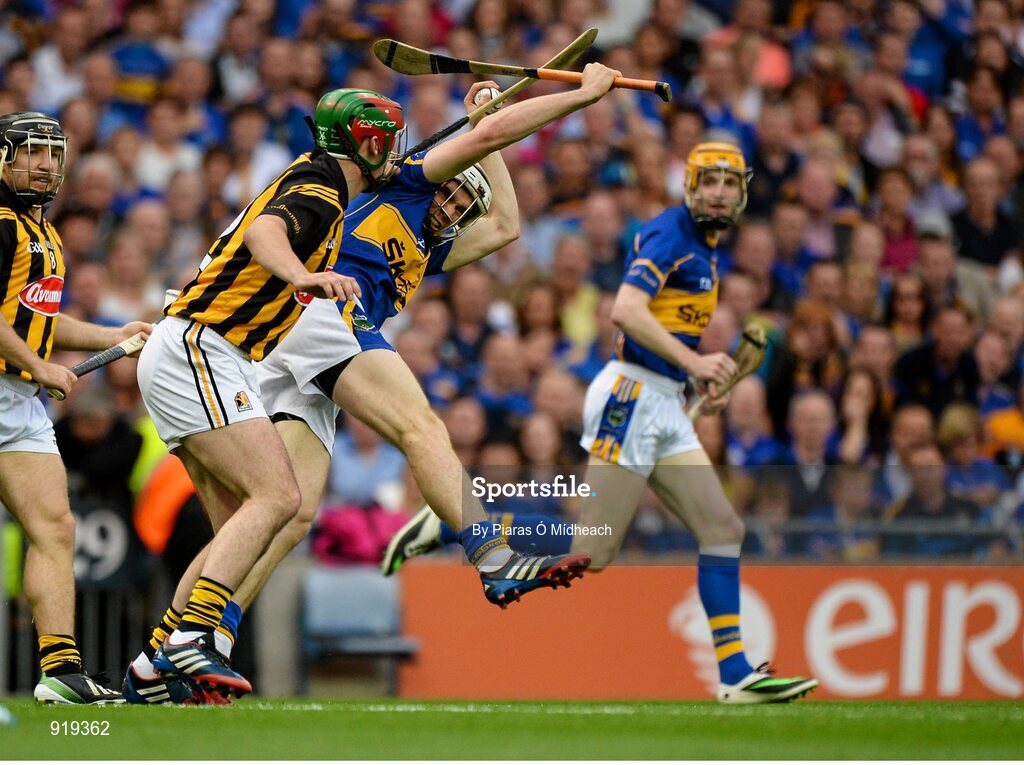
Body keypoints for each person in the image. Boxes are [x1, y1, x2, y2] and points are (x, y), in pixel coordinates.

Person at [125, 69, 621, 703]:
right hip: (321, 315)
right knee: (420, 426)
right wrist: (578, 97)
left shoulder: (432, 247)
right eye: (452, 194)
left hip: (301, 347)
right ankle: (494, 556)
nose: (451, 209)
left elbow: (504, 226)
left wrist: (485, 138)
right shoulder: (405, 181)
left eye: (461, 205)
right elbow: (485, 138)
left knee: (291, 514)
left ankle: (173, 653)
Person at [386, 142, 818, 703]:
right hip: (632, 397)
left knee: (722, 529)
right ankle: (455, 523)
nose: (718, 192)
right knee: (594, 545)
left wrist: (697, 382)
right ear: (690, 186)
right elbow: (626, 311)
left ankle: (735, 675)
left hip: (662, 398)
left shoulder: (706, 250)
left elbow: (663, 331)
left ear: (743, 193)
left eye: (729, 183)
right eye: (708, 181)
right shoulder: (672, 233)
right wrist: (694, 364)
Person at [132, 88, 399, 701]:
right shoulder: (322, 190)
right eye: (387, 141)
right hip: (203, 348)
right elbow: (265, 233)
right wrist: (303, 274)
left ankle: (153, 665)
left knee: (235, 527)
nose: (393, 153)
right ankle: (193, 638)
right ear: (364, 143)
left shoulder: (316, 179)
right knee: (279, 497)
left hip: (199, 350)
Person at [0, 111, 151, 704]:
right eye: (31, 152)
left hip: (18, 401)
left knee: (56, 527)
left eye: (53, 154)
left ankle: (60, 672)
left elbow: (37, 320)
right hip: (15, 383)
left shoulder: (42, 230)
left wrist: (115, 333)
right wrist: (40, 367)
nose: (44, 165)